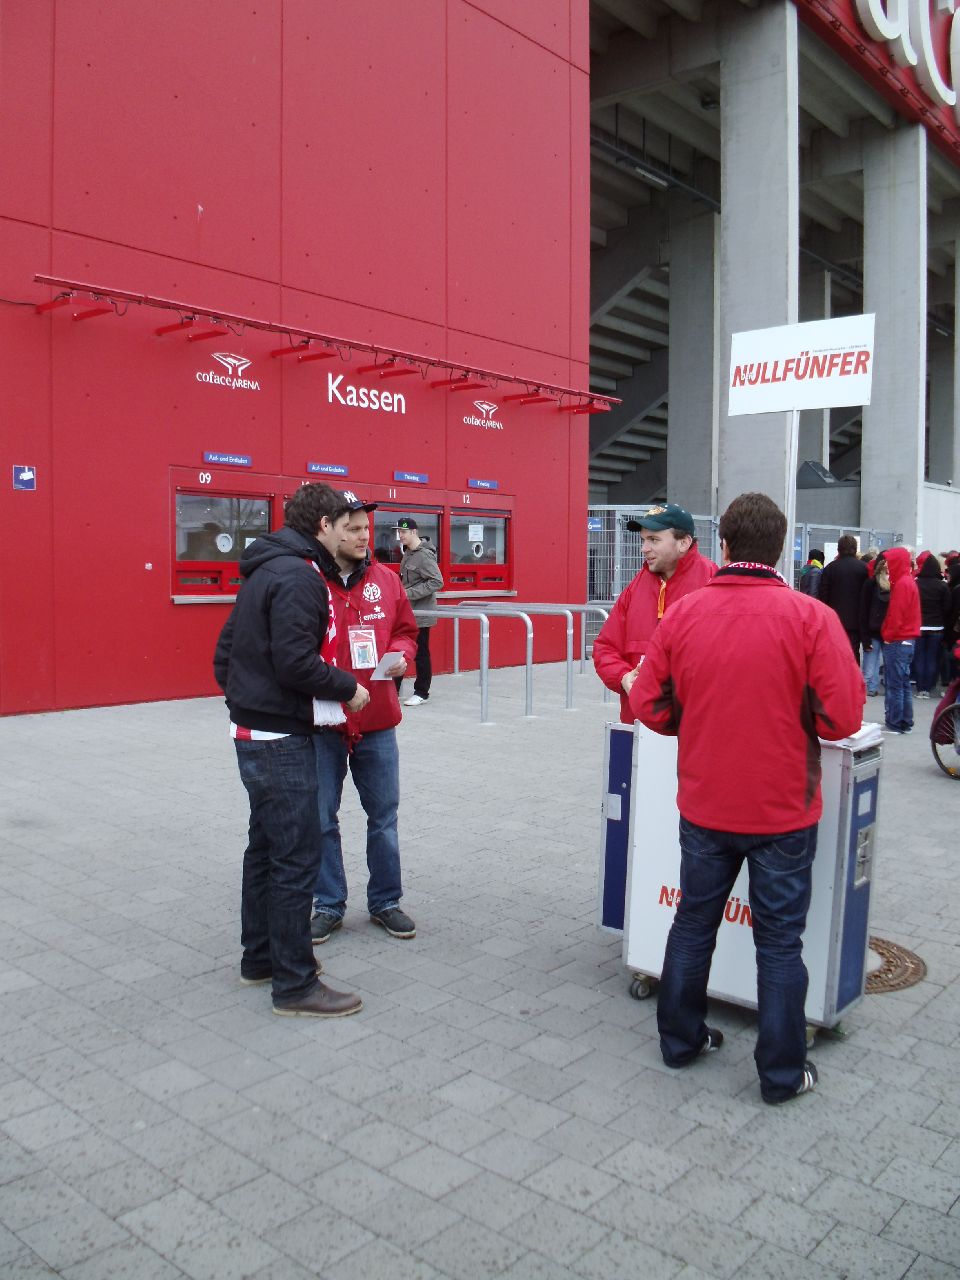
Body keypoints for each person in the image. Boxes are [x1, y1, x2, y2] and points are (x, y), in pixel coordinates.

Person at [629, 492, 865, 1105]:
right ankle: (782, 1075)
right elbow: (841, 719)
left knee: (692, 924)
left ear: (724, 546)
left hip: (706, 804)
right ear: (781, 548)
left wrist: (698, 722)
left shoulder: (683, 615)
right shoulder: (811, 619)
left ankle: (680, 1041)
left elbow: (649, 705)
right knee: (780, 942)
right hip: (783, 810)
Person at [213, 483, 368, 1018]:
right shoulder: (301, 576)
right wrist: (348, 687)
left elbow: (225, 654)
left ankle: (259, 959)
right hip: (281, 741)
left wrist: (246, 700)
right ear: (322, 526)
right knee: (296, 859)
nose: (352, 531)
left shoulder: (265, 570)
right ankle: (295, 984)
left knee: (264, 850)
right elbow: (296, 664)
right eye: (344, 522)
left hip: (253, 733)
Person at [311, 496, 420, 944]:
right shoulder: (310, 581)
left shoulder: (387, 580)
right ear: (331, 530)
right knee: (320, 819)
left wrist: (403, 656)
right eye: (353, 528)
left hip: (376, 720)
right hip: (324, 723)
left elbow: (406, 630)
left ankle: (386, 902)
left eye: (366, 529)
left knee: (384, 817)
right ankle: (328, 904)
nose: (362, 536)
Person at [593, 503, 717, 722]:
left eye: (654, 540)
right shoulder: (635, 587)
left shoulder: (712, 583)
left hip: (694, 729)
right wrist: (623, 677)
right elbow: (605, 648)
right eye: (643, 540)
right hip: (639, 724)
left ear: (684, 543)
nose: (644, 548)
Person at [396, 518, 444, 706]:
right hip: (407, 612)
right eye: (399, 532)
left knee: (420, 652)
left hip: (421, 613)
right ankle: (393, 689)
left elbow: (437, 581)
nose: (400, 536)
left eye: (404, 532)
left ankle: (421, 692)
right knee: (399, 648)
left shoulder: (424, 555)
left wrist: (408, 594)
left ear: (414, 532)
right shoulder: (408, 553)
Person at [881, 546, 921, 734]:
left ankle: (895, 722)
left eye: (890, 562)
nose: (887, 566)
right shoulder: (908, 581)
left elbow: (896, 615)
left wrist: (888, 637)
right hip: (907, 639)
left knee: (895, 684)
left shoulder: (902, 584)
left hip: (898, 639)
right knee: (903, 683)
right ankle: (905, 721)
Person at [819, 534, 869, 660]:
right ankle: (852, 678)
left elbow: (823, 596)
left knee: (834, 653)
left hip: (834, 619)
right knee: (853, 652)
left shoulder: (830, 568)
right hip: (856, 619)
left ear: (839, 549)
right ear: (855, 549)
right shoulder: (864, 568)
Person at [913, 553, 951, 698]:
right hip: (937, 627)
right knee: (932, 658)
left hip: (919, 625)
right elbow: (947, 607)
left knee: (919, 657)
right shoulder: (942, 586)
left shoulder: (916, 583)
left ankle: (920, 686)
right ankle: (928, 687)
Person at [859, 553, 890, 698]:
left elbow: (863, 610)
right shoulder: (893, 585)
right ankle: (871, 687)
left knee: (871, 663)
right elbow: (864, 610)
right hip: (884, 631)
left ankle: (870, 687)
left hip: (875, 630)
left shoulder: (871, 583)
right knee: (876, 664)